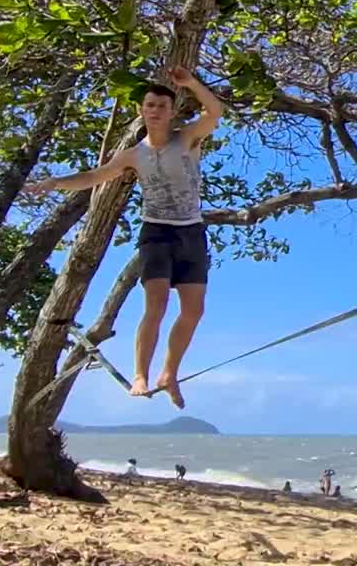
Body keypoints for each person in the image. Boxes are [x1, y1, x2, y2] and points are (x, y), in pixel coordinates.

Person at [23, 66, 223, 409]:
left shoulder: (187, 138)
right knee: (156, 304)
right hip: (157, 231)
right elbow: (95, 176)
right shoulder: (133, 155)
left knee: (194, 310)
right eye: (150, 105)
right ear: (142, 111)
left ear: (172, 112)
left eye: (162, 105)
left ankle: (168, 374)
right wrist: (54, 183)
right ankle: (141, 375)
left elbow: (215, 112)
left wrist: (191, 83)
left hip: (191, 231)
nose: (156, 110)